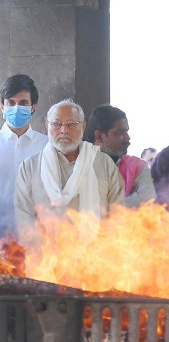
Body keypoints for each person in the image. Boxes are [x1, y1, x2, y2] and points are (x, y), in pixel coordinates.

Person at [14, 99, 124, 237]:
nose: (64, 130)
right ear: (47, 126)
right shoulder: (30, 167)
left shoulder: (104, 163)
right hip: (46, 249)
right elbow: (24, 217)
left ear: (83, 126)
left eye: (71, 124)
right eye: (56, 124)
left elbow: (118, 212)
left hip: (96, 248)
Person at [0, 75, 48, 238]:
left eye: (23, 103)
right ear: (2, 107)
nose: (16, 108)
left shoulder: (47, 146)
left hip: (37, 238)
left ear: (33, 107)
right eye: (11, 103)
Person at [85, 105, 156, 208]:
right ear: (99, 136)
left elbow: (148, 198)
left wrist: (106, 209)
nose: (127, 138)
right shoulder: (79, 166)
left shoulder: (138, 166)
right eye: (120, 132)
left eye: (126, 131)